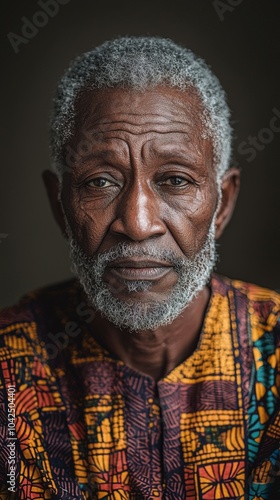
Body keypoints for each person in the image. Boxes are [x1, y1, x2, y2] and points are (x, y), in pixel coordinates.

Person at [0, 36, 279, 500]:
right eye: (100, 181)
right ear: (60, 205)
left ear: (223, 204)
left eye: (175, 180)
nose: (138, 223)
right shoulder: (9, 370)